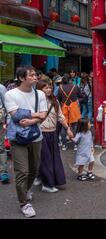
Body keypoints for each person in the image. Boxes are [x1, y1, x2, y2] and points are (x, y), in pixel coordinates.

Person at [4, 66, 48, 217]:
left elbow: (44, 115)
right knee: (22, 171)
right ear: (22, 78)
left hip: (35, 135)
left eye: (36, 75)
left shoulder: (40, 94)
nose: (36, 77)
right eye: (32, 75)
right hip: (17, 137)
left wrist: (30, 121)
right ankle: (24, 203)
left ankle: (26, 189)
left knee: (34, 170)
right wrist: (36, 116)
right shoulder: (10, 94)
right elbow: (15, 115)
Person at [35, 79, 72, 192]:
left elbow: (60, 116)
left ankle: (42, 177)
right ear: (39, 89)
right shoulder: (36, 102)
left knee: (53, 158)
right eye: (45, 87)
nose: (48, 89)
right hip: (41, 133)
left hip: (53, 133)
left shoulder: (54, 100)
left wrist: (68, 128)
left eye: (50, 87)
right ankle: (47, 184)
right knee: (46, 158)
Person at [57, 74, 82, 151]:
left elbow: (59, 99)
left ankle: (64, 145)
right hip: (74, 108)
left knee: (64, 126)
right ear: (70, 79)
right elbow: (81, 96)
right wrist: (77, 100)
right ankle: (75, 145)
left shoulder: (60, 88)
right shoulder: (75, 87)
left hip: (64, 108)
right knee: (75, 126)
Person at [0, 83, 9, 183]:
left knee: (1, 146)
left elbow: (6, 105)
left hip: (0, 121)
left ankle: (3, 173)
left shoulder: (1, 88)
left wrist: (7, 121)